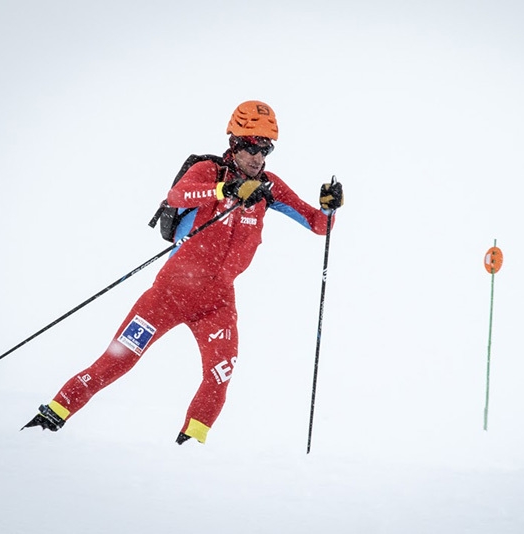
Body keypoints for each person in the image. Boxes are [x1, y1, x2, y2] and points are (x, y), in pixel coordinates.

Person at [23, 100, 344, 445]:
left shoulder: (269, 187)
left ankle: (189, 450)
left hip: (218, 302)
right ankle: (50, 418)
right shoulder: (209, 171)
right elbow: (177, 196)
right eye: (251, 147)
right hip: (168, 295)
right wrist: (227, 190)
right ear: (234, 145)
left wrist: (330, 207)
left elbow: (317, 225)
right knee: (117, 361)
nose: (258, 157)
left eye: (265, 149)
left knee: (219, 376)